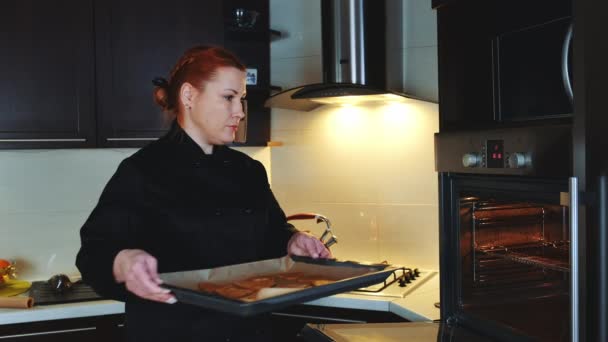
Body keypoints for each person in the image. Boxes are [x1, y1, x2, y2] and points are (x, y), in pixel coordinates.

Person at [76, 45, 331, 341]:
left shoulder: (249, 171)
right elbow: (94, 254)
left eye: (242, 100)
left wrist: (292, 240)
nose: (240, 112)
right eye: (228, 98)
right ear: (188, 96)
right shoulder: (143, 171)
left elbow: (272, 233)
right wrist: (123, 261)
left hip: (248, 333)